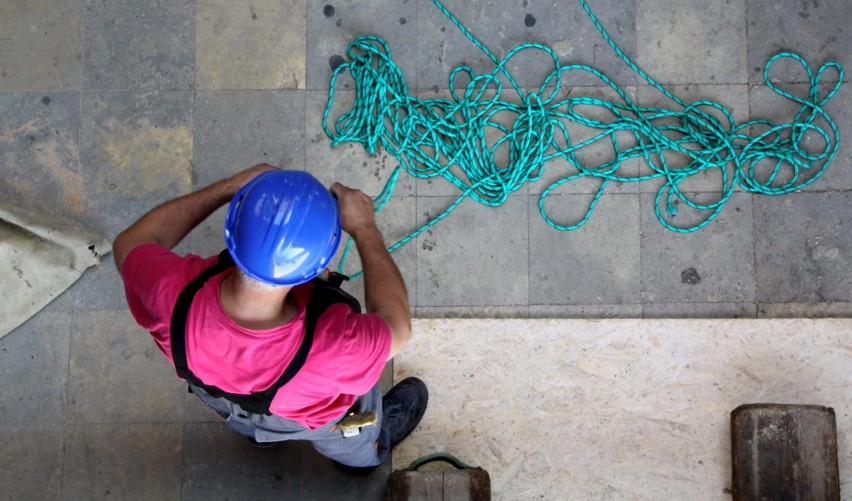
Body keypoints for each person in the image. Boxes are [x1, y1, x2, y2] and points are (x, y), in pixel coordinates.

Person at [113, 163, 428, 472]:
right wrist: (364, 229)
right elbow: (397, 327)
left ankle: (259, 437)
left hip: (225, 405)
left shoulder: (170, 293)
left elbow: (130, 243)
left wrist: (226, 187)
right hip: (306, 419)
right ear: (320, 264)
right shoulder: (335, 348)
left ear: (234, 230)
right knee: (354, 437)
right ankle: (363, 458)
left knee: (248, 420)